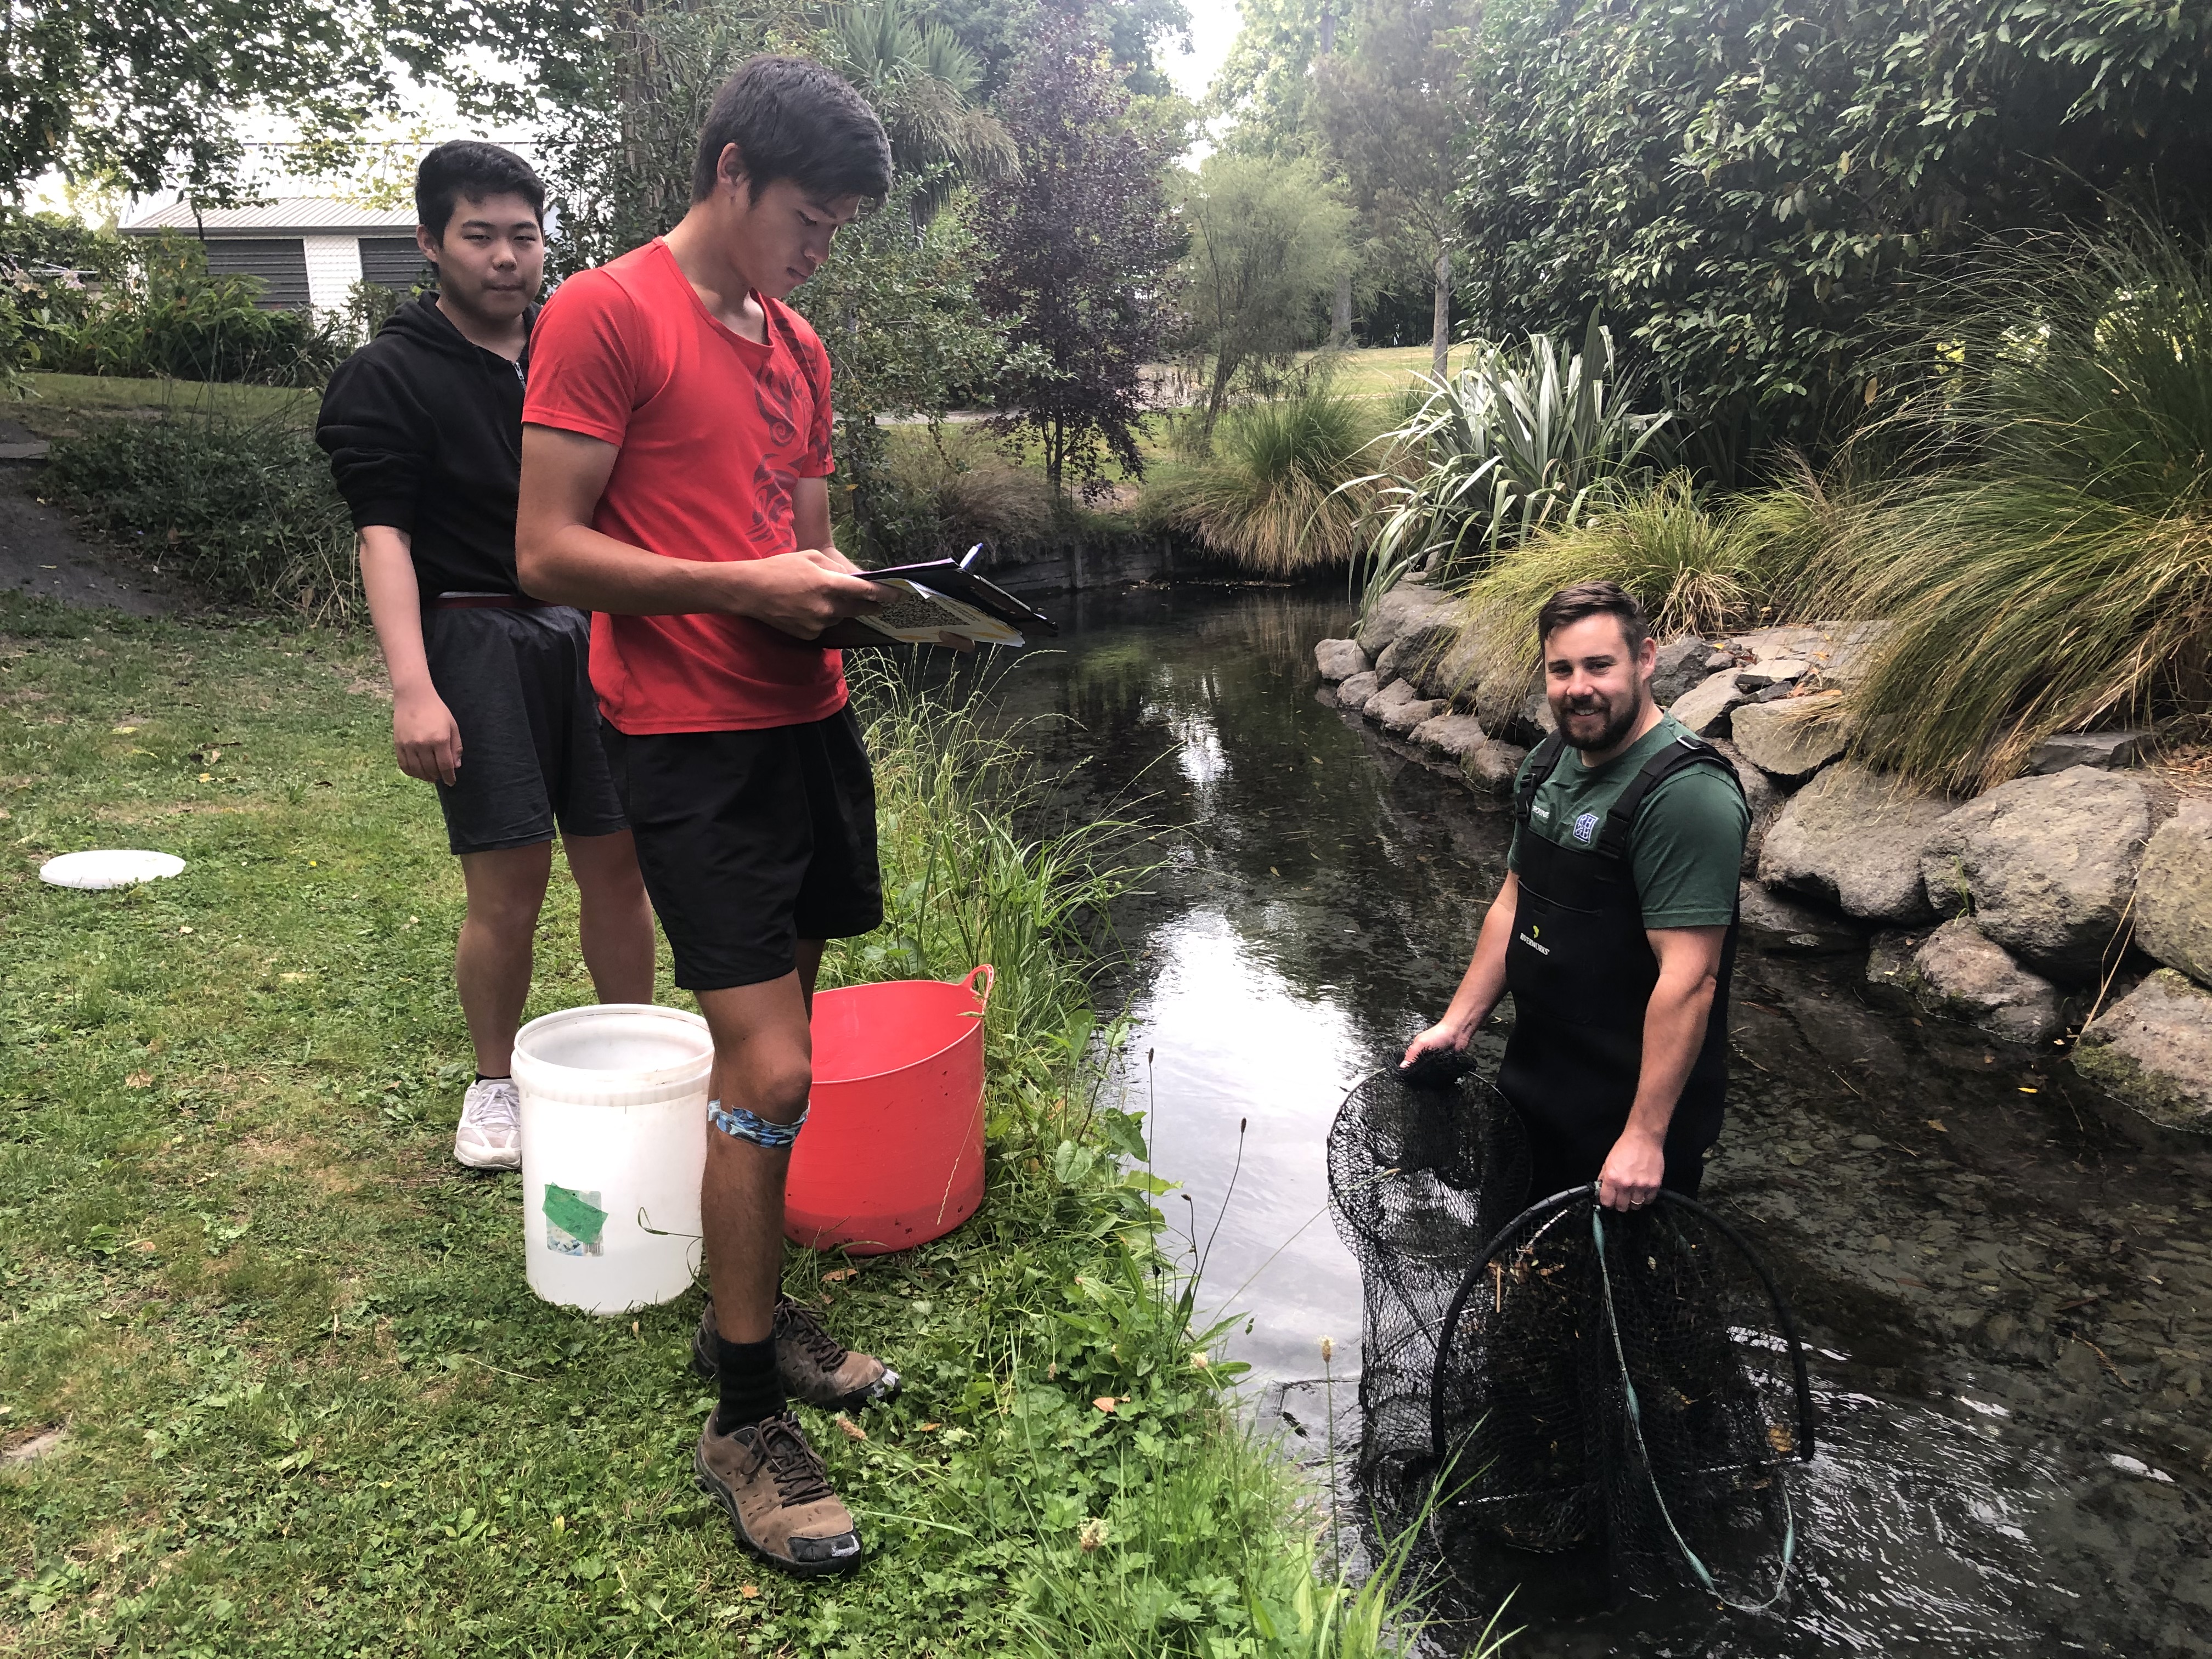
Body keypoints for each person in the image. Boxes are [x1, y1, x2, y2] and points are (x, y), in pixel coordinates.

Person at [515, 57, 905, 1578]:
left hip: (806, 728)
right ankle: (744, 1413)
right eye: (808, 218)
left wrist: (882, 607)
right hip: (684, 738)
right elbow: (547, 552)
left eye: (840, 228)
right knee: (774, 1061)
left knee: (789, 1035)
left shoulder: (798, 341)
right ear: (731, 172)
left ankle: (752, 1304)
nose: (819, 250)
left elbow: (800, 550)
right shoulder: (603, 313)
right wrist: (745, 590)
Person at [317, 140, 656, 1172]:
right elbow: (386, 535)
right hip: (472, 629)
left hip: (590, 625)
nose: (507, 256)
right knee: (507, 878)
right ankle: (495, 1083)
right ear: (430, 242)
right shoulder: (390, 374)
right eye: (480, 235)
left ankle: (633, 1061)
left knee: (618, 861)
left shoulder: (574, 349)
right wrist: (412, 688)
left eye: (524, 234)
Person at [1404, 580, 1750, 1211]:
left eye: (1599, 665)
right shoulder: (1549, 761)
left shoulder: (1688, 797)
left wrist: (1645, 1138)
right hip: (1533, 1083)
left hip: (1628, 1119)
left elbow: (1691, 979)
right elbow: (1514, 903)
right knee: (1513, 1279)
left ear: (1645, 660)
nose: (1577, 687)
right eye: (1560, 669)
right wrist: (1458, 1025)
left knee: (1616, 1301)